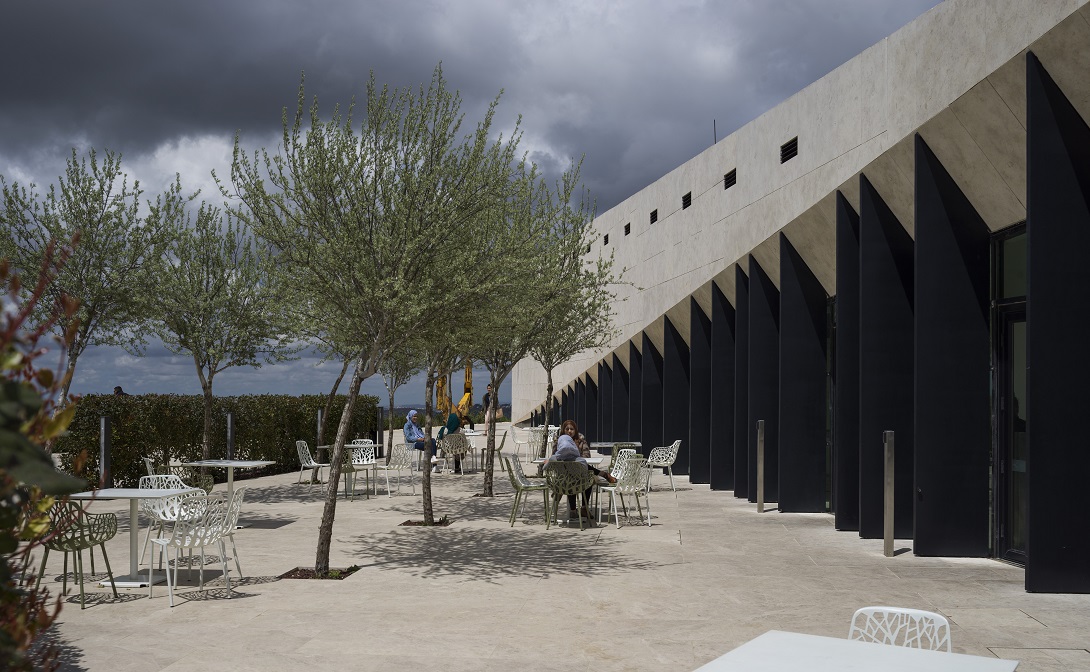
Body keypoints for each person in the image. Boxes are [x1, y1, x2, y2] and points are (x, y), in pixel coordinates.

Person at [544, 420, 615, 520]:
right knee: (576, 477)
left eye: (571, 429)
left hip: (579, 471)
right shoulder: (559, 441)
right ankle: (603, 474)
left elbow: (587, 456)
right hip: (563, 475)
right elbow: (555, 456)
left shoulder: (580, 440)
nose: (569, 431)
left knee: (588, 477)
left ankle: (583, 508)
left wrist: (574, 456)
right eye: (567, 429)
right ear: (563, 430)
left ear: (575, 430)